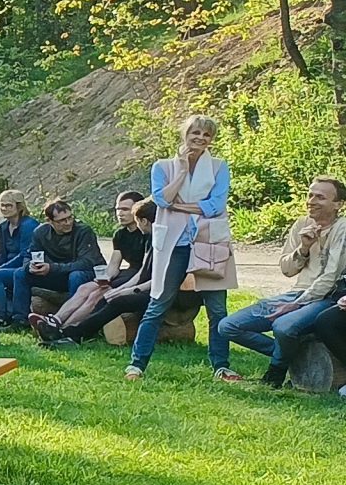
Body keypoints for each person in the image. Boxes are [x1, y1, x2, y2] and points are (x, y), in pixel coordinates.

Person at [210, 174, 345, 385]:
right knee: (228, 326)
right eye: (310, 195)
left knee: (283, 326)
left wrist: (297, 304)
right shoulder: (301, 224)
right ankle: (295, 355)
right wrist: (304, 248)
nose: (311, 201)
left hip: (326, 297)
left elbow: (331, 276)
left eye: (320, 197)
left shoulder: (342, 228)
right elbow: (286, 269)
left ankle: (275, 372)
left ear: (338, 204)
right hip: (297, 293)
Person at [127, 114, 233, 381]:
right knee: (158, 303)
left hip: (209, 241)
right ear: (185, 134)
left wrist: (179, 206)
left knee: (217, 308)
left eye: (206, 135)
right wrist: (183, 170)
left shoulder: (219, 167)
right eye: (195, 133)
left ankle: (221, 365)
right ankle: (137, 364)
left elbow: (216, 205)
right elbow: (162, 199)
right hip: (174, 243)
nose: (200, 138)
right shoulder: (163, 167)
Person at [35, 196, 157, 347]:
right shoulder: (120, 234)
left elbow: (144, 272)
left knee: (96, 295)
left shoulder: (147, 234)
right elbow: (114, 265)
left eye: (125, 209)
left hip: (138, 276)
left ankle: (66, 330)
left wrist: (120, 289)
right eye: (118, 209)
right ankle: (55, 321)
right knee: (86, 288)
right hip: (128, 274)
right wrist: (104, 279)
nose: (120, 213)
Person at [21, 198, 102, 313]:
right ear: (49, 221)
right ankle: (20, 317)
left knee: (76, 275)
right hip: (58, 274)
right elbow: (30, 255)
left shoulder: (83, 231)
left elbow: (87, 262)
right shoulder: (40, 232)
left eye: (70, 217)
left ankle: (74, 316)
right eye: (62, 220)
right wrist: (30, 266)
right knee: (20, 273)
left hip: (84, 273)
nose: (68, 223)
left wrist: (52, 268)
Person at [0, 190, 42, 326]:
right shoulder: (3, 226)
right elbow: (1, 253)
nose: (4, 208)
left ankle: (0, 316)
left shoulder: (28, 225)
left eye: (9, 205)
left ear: (19, 207)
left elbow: (25, 255)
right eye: (2, 205)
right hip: (6, 266)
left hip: (23, 268)